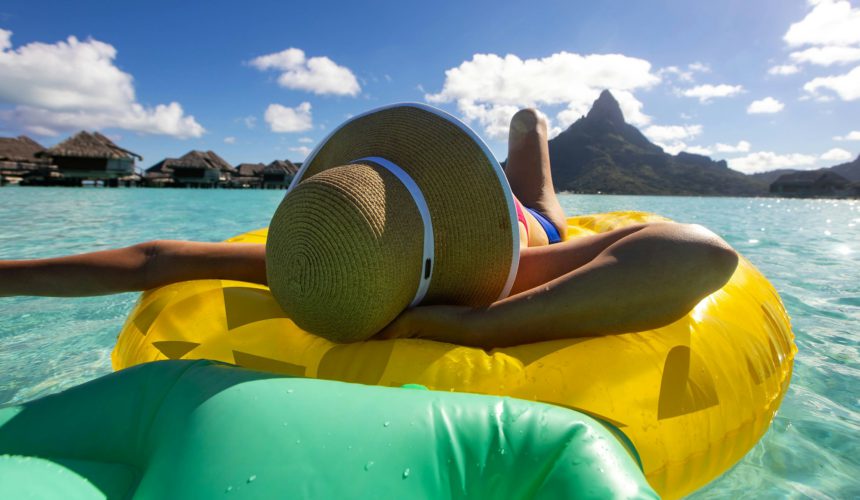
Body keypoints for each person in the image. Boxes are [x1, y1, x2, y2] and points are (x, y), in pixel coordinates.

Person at [0, 107, 738, 349]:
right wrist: (466, 327)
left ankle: (523, 125)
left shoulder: (305, 267)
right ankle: (524, 128)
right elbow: (702, 255)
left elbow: (153, 258)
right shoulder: (333, 262)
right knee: (536, 157)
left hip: (503, 223)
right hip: (524, 231)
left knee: (528, 132)